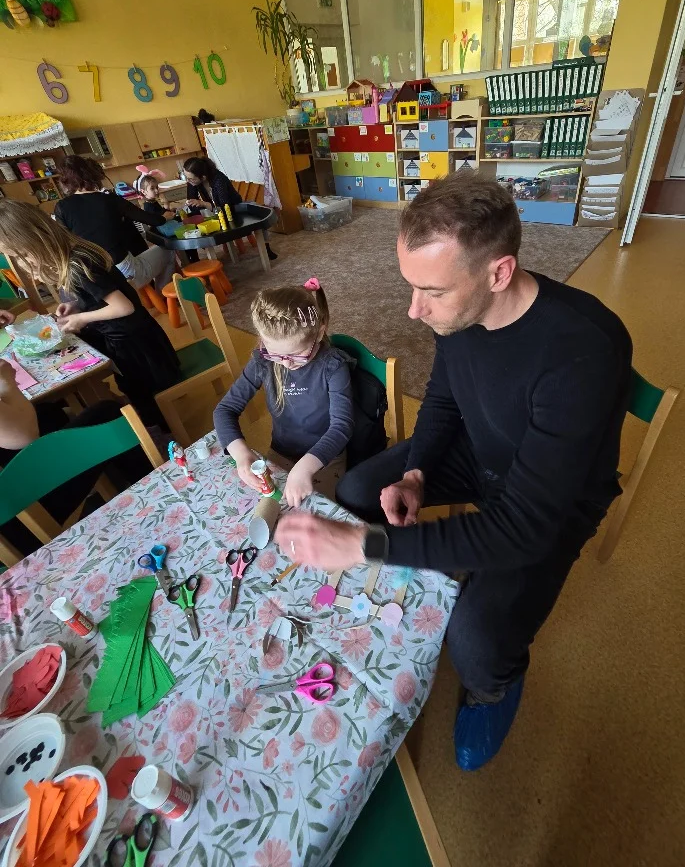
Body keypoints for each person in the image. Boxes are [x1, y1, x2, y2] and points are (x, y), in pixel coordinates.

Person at [273, 173, 633, 771]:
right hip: (482, 451)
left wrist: (366, 545)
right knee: (359, 487)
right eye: (411, 286)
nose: (414, 310)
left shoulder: (583, 350)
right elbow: (444, 397)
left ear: (499, 272)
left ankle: (493, 687)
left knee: (475, 639)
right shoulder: (460, 315)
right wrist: (417, 472)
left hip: (553, 501)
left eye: (432, 291)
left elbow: (522, 528)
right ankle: (389, 592)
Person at [0, 200, 180, 429]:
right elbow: (99, 295)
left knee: (144, 395)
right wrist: (76, 306)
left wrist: (80, 318)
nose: (23, 263)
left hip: (134, 343)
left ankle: (165, 433)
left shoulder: (78, 265)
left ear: (38, 240)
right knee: (133, 389)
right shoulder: (76, 254)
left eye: (23, 255)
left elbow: (124, 307)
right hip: (128, 338)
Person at [0, 312, 150, 556]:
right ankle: (151, 491)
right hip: (17, 523)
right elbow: (23, 435)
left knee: (50, 413)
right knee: (108, 414)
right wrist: (6, 383)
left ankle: (110, 483)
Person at [213, 278, 353, 506]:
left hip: (325, 458)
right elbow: (225, 409)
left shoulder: (333, 366)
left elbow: (342, 427)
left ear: (319, 333)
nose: (286, 364)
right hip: (281, 452)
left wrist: (305, 467)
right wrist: (241, 454)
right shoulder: (263, 361)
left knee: (312, 513)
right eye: (276, 355)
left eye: (297, 355)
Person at [55, 156, 176, 293]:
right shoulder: (109, 199)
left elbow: (65, 244)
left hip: (94, 277)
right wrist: (164, 217)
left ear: (64, 181)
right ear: (90, 173)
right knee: (168, 251)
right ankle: (163, 295)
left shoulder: (61, 207)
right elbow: (151, 219)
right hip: (124, 271)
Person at [183, 156, 277, 260]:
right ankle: (195, 260)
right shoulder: (193, 181)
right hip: (215, 211)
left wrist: (203, 204)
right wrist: (197, 206)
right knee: (190, 224)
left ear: (203, 177)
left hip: (234, 208)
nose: (188, 181)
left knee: (258, 213)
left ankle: (266, 247)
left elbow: (224, 206)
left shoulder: (218, 179)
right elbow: (192, 204)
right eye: (187, 177)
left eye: (191, 179)